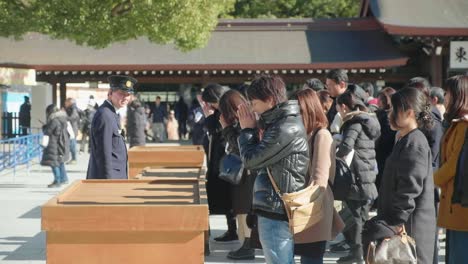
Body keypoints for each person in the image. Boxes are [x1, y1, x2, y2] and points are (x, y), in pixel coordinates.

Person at [238, 74, 309, 264]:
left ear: (269, 100)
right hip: (274, 205)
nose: (252, 108)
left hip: (276, 208)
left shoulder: (285, 127)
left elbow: (251, 161)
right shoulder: (281, 123)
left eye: (254, 103)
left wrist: (246, 130)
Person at [368, 87, 436, 264]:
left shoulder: (415, 142)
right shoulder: (406, 139)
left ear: (409, 112)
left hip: (410, 226)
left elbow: (410, 187)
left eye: (394, 109)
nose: (389, 113)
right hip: (401, 223)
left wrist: (396, 222)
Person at [293, 88, 345, 264]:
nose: (295, 115)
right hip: (303, 208)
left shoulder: (321, 135)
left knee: (311, 259)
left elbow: (319, 179)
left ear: (309, 109)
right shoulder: (303, 134)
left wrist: (297, 202)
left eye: (299, 110)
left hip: (314, 208)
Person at [335, 86, 381, 263]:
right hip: (367, 173)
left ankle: (358, 254)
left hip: (356, 175)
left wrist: (334, 151)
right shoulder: (368, 121)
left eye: (339, 107)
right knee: (359, 215)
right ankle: (359, 252)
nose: (338, 110)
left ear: (345, 107)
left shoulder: (354, 123)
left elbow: (347, 147)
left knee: (355, 217)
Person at [218, 90, 256, 260]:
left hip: (247, 175)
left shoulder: (243, 122)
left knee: (244, 208)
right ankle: (246, 243)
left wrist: (226, 129)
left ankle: (247, 245)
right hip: (247, 173)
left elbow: (240, 146)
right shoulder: (252, 117)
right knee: (244, 208)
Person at [434, 75, 468, 263]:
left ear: (458, 95)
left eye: (447, 93)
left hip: (461, 204)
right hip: (456, 204)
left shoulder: (464, 126)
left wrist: (432, 179)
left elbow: (454, 164)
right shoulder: (457, 124)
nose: (445, 97)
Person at [201, 84, 237, 242]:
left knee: (227, 198)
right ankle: (231, 229)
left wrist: (208, 117)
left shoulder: (226, 111)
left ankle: (233, 230)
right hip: (219, 160)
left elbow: (219, 133)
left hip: (225, 161)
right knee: (222, 197)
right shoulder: (219, 111)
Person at [87, 75, 136, 180]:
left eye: (128, 94)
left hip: (117, 175)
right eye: (121, 94)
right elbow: (104, 153)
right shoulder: (105, 115)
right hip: (109, 178)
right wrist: (108, 182)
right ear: (110, 93)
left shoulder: (112, 113)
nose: (125, 98)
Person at [374, 87, 397, 198]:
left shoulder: (385, 116)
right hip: (388, 154)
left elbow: (385, 138)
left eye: (380, 99)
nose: (378, 102)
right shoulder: (393, 115)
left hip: (383, 154)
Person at [41, 104, 70, 187]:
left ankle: (57, 181)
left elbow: (49, 131)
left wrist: (44, 127)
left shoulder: (54, 120)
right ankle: (63, 178)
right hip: (61, 143)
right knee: (60, 162)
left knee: (54, 163)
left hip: (54, 144)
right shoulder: (62, 118)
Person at [64, 98, 80, 164]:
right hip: (71, 128)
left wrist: (65, 117)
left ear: (69, 102)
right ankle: (72, 159)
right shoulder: (71, 108)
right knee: (71, 144)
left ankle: (74, 159)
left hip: (72, 129)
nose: (65, 104)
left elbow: (74, 117)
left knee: (72, 144)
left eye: (66, 102)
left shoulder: (73, 108)